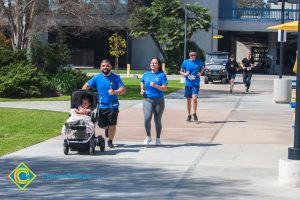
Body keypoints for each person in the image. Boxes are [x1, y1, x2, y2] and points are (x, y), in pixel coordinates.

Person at [82, 59, 126, 148]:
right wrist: (83, 94)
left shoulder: (116, 77)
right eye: (103, 66)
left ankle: (110, 141)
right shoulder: (97, 78)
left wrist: (115, 92)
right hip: (101, 105)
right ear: (100, 67)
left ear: (110, 67)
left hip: (113, 105)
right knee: (101, 125)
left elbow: (123, 90)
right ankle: (106, 128)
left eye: (107, 65)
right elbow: (86, 85)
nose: (105, 67)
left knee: (112, 124)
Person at [140, 58, 168, 146]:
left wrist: (155, 86)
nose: (153, 64)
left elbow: (165, 88)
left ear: (158, 65)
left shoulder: (162, 75)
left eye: (155, 63)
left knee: (157, 120)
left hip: (159, 101)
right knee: (147, 118)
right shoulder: (146, 74)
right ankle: (148, 136)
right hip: (148, 99)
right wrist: (142, 89)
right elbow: (142, 82)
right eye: (152, 63)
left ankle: (158, 138)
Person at [180, 50, 205, 122]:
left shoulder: (198, 62)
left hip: (195, 83)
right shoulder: (185, 62)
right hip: (188, 84)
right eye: (192, 55)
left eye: (195, 55)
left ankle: (194, 113)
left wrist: (200, 73)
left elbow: (203, 67)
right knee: (188, 100)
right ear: (189, 55)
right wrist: (185, 74)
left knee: (194, 98)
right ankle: (189, 115)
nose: (193, 56)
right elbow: (180, 71)